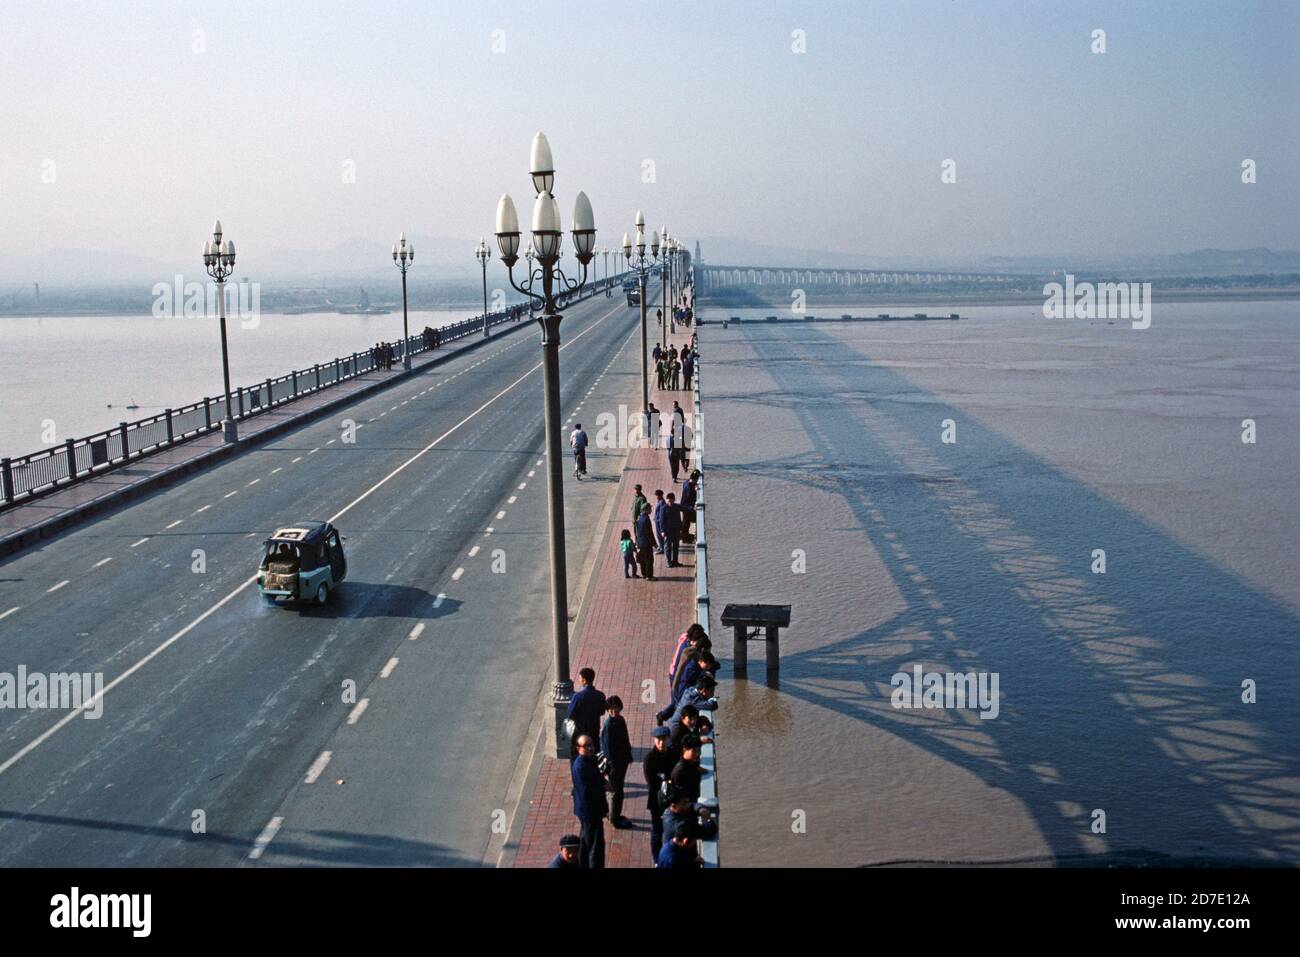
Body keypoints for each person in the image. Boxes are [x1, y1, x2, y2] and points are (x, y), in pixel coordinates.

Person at [571, 735, 608, 868]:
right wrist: (602, 786)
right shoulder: (580, 767)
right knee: (595, 847)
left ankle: (583, 863)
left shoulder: (588, 760)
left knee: (586, 841)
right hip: (590, 812)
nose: (591, 748)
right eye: (586, 746)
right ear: (578, 748)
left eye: (591, 744)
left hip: (589, 811)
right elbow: (587, 792)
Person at [643, 726, 679, 862]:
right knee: (657, 832)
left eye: (664, 739)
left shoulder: (673, 754)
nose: (661, 743)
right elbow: (651, 782)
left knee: (673, 831)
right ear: (654, 740)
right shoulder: (649, 759)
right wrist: (667, 780)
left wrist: (665, 779)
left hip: (672, 800)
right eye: (658, 740)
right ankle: (657, 860)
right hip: (656, 801)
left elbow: (676, 776)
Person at [600, 696, 633, 829]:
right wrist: (612, 764)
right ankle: (615, 818)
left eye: (616, 708)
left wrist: (628, 754)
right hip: (615, 764)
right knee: (616, 792)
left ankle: (613, 814)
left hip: (622, 761)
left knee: (617, 790)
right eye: (611, 709)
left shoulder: (620, 720)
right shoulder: (609, 725)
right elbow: (607, 747)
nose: (614, 711)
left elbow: (626, 739)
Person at [566, 668, 606, 758]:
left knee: (578, 755)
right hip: (594, 730)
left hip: (580, 731)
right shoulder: (600, 695)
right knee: (594, 754)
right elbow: (602, 711)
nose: (579, 680)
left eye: (579, 678)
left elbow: (570, 714)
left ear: (584, 680)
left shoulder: (577, 696)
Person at [670, 734, 704, 802]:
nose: (698, 753)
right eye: (694, 750)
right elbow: (682, 798)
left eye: (699, 750)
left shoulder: (692, 763)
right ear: (685, 749)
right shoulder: (680, 771)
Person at [635, 502, 658, 581]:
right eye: (650, 508)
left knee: (643, 559)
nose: (651, 510)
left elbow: (637, 531)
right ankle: (649, 576)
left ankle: (644, 574)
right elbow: (649, 533)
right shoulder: (646, 520)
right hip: (646, 543)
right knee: (649, 559)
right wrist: (654, 544)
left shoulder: (639, 518)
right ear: (646, 509)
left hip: (640, 542)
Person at [663, 491, 683, 567]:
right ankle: (669, 562)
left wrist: (693, 508)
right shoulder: (664, 508)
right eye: (668, 501)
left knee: (676, 546)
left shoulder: (677, 506)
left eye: (671, 501)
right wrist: (662, 531)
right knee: (668, 547)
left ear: (674, 500)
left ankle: (675, 561)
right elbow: (662, 520)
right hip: (668, 531)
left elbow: (685, 508)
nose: (670, 502)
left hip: (676, 530)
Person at [679, 471, 698, 543]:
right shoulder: (689, 488)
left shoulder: (686, 482)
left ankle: (685, 536)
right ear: (694, 479)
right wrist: (695, 491)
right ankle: (685, 538)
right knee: (686, 523)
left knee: (686, 522)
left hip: (684, 507)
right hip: (686, 507)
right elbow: (689, 498)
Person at [652, 489, 667, 555]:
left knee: (659, 535)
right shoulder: (660, 501)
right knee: (659, 535)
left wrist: (657, 519)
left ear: (660, 495)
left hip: (659, 522)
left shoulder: (662, 503)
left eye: (657, 495)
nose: (656, 497)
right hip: (657, 520)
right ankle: (662, 547)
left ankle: (662, 548)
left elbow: (661, 514)